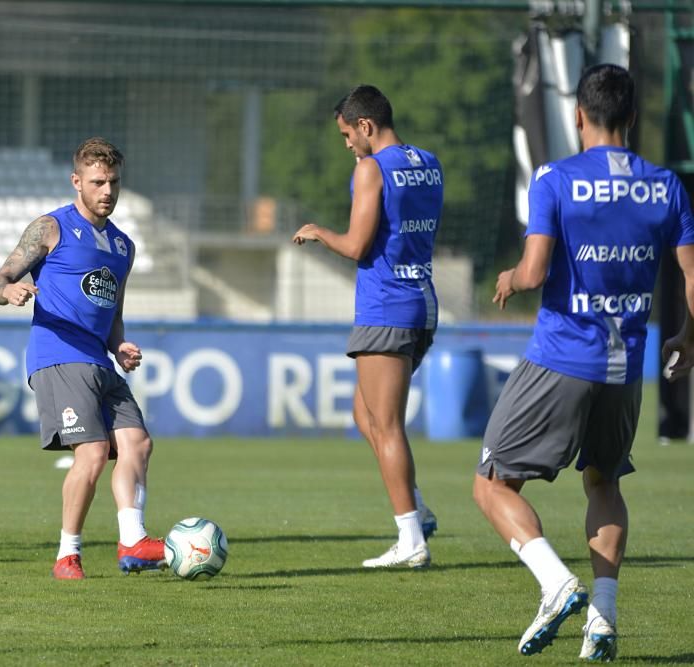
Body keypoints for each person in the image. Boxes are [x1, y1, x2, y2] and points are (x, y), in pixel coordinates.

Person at [473, 64, 694, 660]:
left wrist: (511, 278)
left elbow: (536, 270)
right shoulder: (666, 187)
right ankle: (603, 617)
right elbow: (693, 277)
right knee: (604, 481)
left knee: (492, 484)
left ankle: (554, 583)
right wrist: (689, 338)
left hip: (562, 357)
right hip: (627, 369)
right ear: (633, 117)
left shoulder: (554, 179)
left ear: (578, 114)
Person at [0, 137, 164, 580]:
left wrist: (119, 345)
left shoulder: (124, 246)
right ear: (77, 181)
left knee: (137, 443)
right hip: (58, 354)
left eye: (114, 182)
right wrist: (7, 290)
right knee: (91, 451)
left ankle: (133, 542)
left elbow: (114, 314)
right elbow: (0, 278)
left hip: (99, 359)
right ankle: (67, 554)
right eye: (98, 182)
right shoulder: (52, 228)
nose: (107, 190)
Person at [292, 85, 442, 569]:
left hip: (386, 307)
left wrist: (319, 233)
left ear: (366, 126)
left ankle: (410, 537)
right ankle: (415, 505)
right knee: (366, 414)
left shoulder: (371, 168)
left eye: (346, 134)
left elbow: (358, 245)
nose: (347, 145)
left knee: (387, 423)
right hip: (422, 301)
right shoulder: (429, 162)